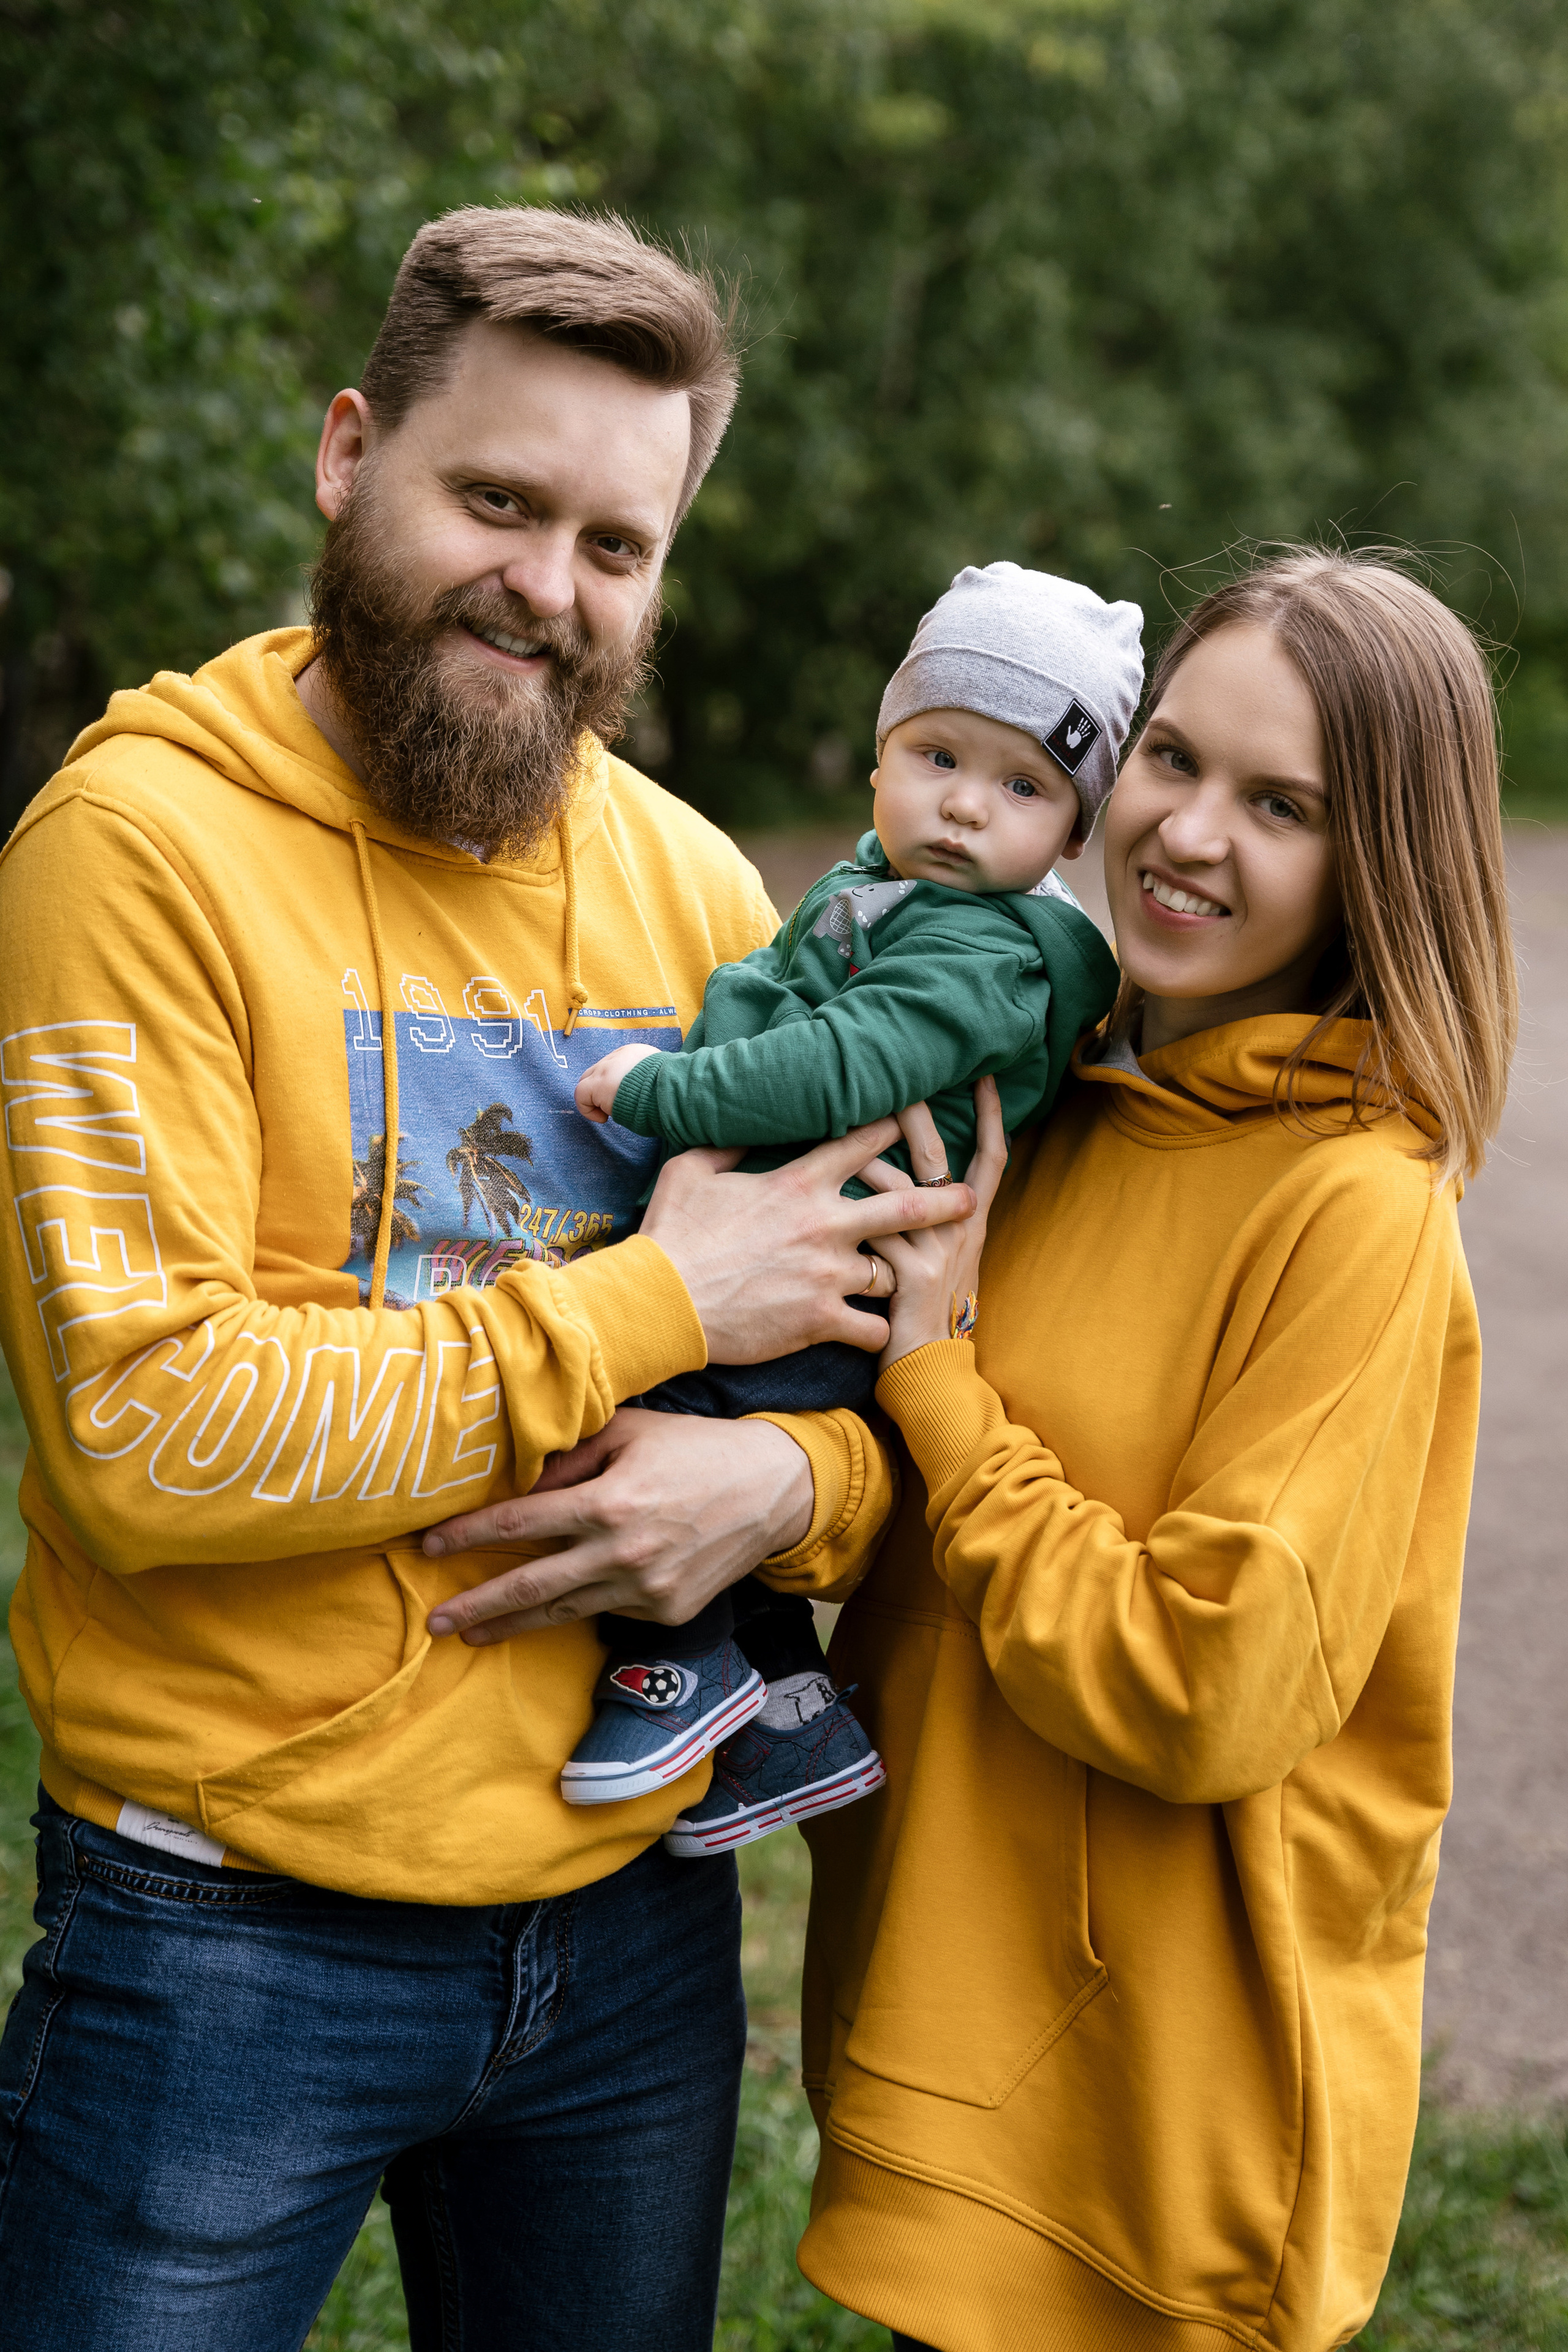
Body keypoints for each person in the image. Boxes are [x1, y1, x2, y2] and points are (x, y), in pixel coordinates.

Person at [0, 204, 968, 2351]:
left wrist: (787, 1500)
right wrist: (650, 1307)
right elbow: (146, 1435)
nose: (550, 590)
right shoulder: (134, 851)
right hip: (221, 1933)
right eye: (499, 501)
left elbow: (895, 1391)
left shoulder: (699, 885)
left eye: (615, 546)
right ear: (352, 456)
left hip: (627, 1936)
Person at [785, 551, 1518, 2351]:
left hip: (1151, 2148)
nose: (1190, 835)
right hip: (940, 2045)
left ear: (1382, 862)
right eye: (1175, 762)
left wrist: (943, 1382)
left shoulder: (1355, 1210)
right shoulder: (1049, 1100)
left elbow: (1204, 1684)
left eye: (1284, 805)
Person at [559, 563, 1131, 1854]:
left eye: (1023, 787)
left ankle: (679, 1664)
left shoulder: (987, 952)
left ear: (1070, 837)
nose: (965, 807)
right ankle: (786, 1717)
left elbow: (845, 1066)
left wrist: (665, 1088)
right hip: (792, 1241)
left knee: (642, 1425)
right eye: (937, 754)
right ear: (881, 753)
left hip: (836, 1276)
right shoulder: (891, 888)